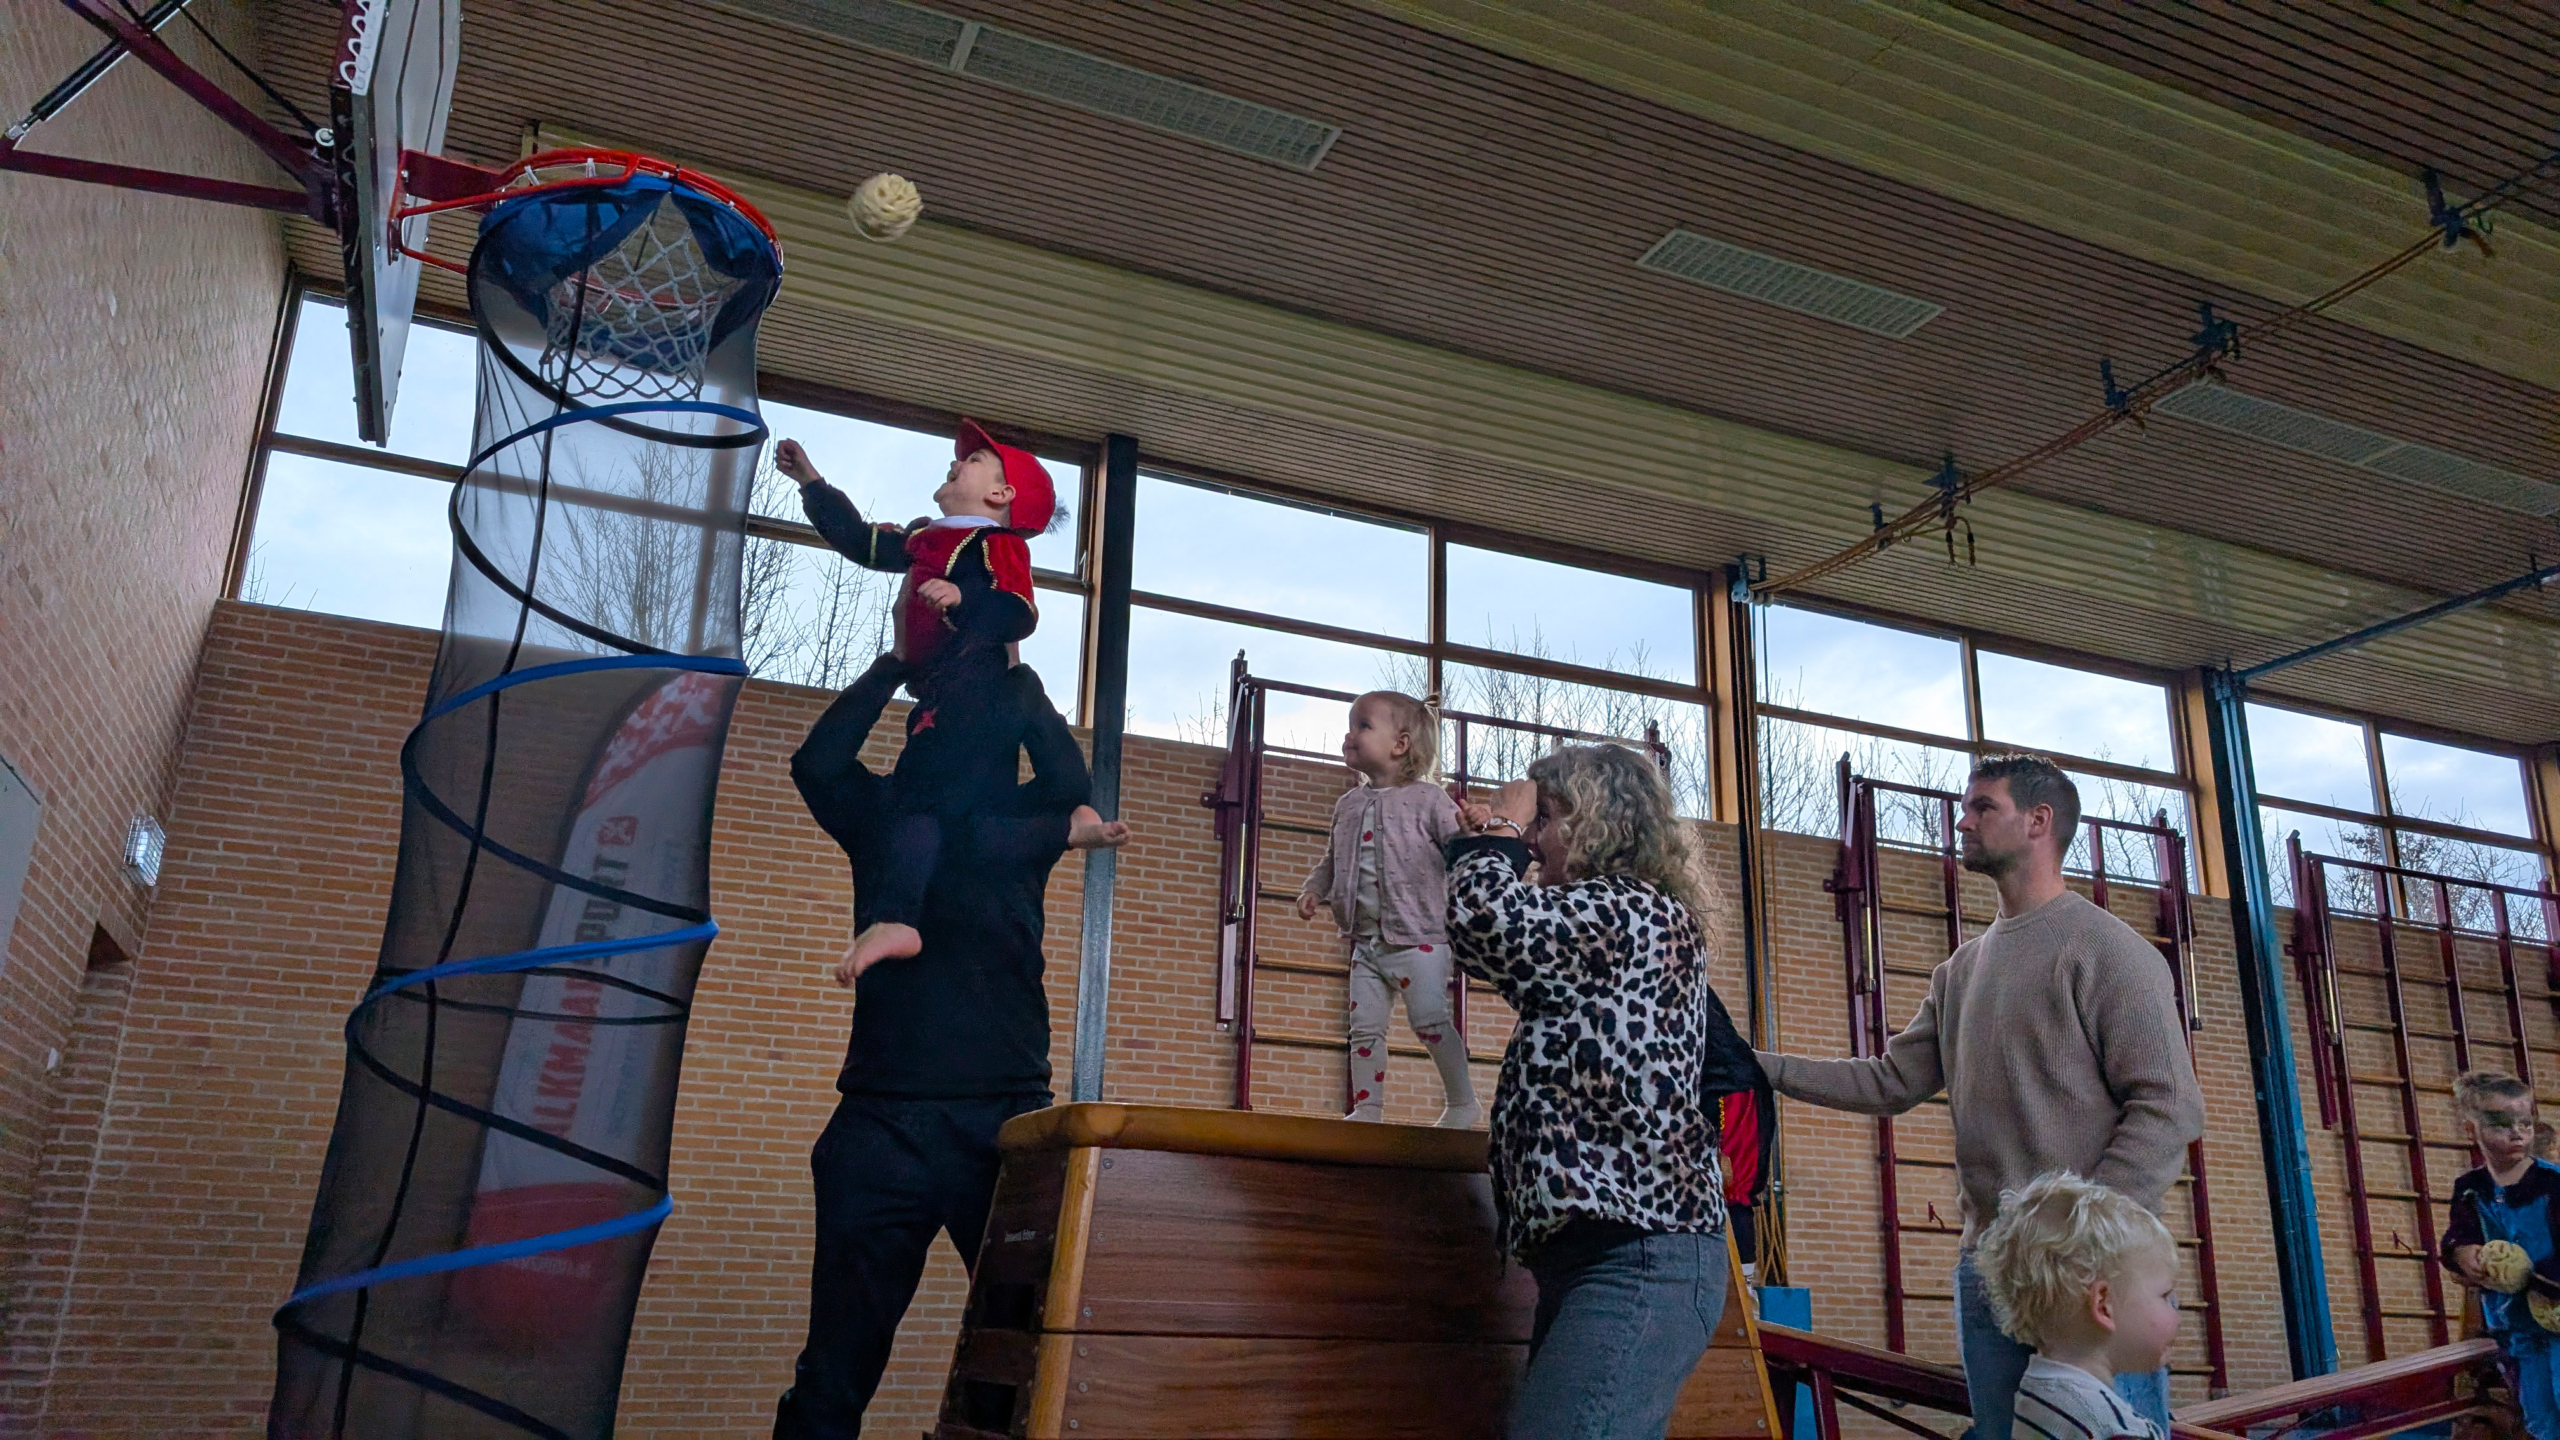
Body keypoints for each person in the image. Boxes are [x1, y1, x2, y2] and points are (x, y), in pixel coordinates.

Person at [1754, 753, 2203, 1440]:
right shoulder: (1960, 971)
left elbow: (2170, 1105)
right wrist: (1760, 1067)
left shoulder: (2110, 951)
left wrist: (2081, 1235)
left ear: (2039, 821)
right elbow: (1890, 1081)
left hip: (2096, 1275)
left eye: (1982, 807)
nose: (1962, 822)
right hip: (1992, 1272)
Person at [772, 652, 1125, 1439]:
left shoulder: (1024, 823)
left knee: (1025, 1363)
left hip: (1004, 1126)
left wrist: (1025, 689)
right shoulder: (887, 812)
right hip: (881, 1122)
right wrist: (892, 665)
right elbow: (817, 763)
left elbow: (1070, 779)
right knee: (832, 1375)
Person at [1447, 744, 1762, 1440]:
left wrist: (1500, 833)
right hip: (1602, 1253)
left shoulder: (1630, 909)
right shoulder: (1616, 920)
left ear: (1595, 824)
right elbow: (1502, 933)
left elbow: (1486, 925)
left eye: (1547, 819)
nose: (1536, 839)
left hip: (1639, 1254)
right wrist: (1489, 843)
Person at [777, 420, 1105, 980]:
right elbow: (861, 541)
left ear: (1001, 494)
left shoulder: (996, 544)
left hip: (979, 684)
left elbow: (1017, 611)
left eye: (974, 461)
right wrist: (812, 484)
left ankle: (901, 916)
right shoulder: (924, 539)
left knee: (924, 798)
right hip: (934, 694)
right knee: (922, 802)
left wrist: (961, 600)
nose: (956, 463)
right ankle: (1066, 818)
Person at [1292, 690, 1479, 1127]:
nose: (1349, 735)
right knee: (1364, 1028)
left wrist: (1471, 829)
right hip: (1367, 944)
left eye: (1363, 726)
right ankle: (1368, 1108)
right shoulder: (1348, 804)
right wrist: (1314, 889)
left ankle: (1462, 1102)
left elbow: (1460, 848)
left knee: (1430, 1021)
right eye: (1349, 725)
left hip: (1421, 940)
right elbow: (1333, 860)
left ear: (1400, 744)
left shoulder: (1429, 799)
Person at [1974, 1172, 2184, 1440]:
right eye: (2165, 1296)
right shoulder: (2111, 1426)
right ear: (2104, 1305)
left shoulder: (2037, 1392)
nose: (2177, 1315)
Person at [2443, 1070, 2560, 1439]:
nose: (2517, 1133)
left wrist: (2537, 1278)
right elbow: (2457, 1236)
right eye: (2500, 1124)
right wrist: (2462, 1253)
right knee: (2539, 1415)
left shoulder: (2553, 1183)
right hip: (2515, 1326)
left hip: (2556, 1314)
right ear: (2471, 1129)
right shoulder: (2469, 1188)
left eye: (2525, 1123)